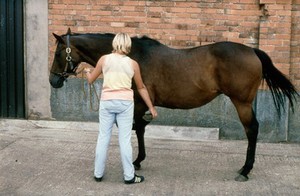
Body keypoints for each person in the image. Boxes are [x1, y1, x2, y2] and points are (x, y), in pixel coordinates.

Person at [84, 33, 157, 184]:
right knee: (125, 140)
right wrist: (151, 107)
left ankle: (98, 174)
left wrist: (87, 72)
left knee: (103, 137)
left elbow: (91, 80)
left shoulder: (104, 60)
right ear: (128, 45)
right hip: (125, 103)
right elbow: (141, 87)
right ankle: (129, 176)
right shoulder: (133, 64)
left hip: (107, 102)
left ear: (114, 43)